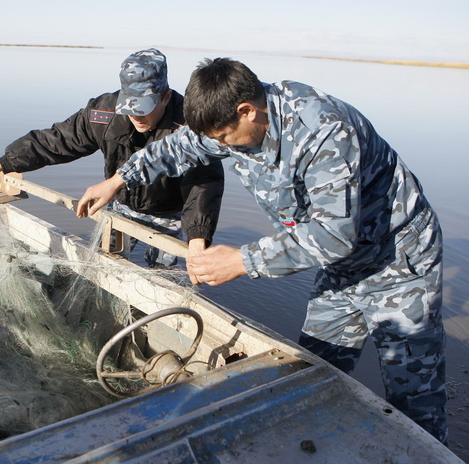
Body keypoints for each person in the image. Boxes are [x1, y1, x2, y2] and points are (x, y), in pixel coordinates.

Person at [76, 58, 447, 444]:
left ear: (247, 111)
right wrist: (118, 180)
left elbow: (334, 235)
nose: (219, 145)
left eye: (223, 137)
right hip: (339, 269)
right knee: (314, 366)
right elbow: (175, 149)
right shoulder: (226, 121)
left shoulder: (323, 132)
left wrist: (242, 260)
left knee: (413, 398)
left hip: (399, 264)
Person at [0, 48, 224, 267]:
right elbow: (56, 140)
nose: (136, 116)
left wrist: (198, 238)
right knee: (106, 261)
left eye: (144, 108)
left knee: (163, 276)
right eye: (130, 107)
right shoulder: (104, 112)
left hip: (170, 214)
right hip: (120, 206)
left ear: (166, 97)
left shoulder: (192, 123)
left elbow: (204, 183)